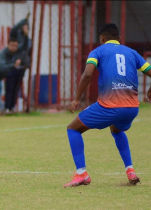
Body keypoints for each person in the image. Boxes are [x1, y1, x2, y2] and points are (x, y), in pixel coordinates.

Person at [64, 23, 151, 188]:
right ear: (119, 39)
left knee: (73, 128)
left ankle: (81, 173)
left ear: (102, 39)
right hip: (132, 108)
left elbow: (88, 73)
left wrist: (76, 99)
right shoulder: (132, 53)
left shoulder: (98, 51)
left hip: (109, 106)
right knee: (116, 129)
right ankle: (130, 170)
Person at [0, 38, 26, 116]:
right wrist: (13, 65)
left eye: (16, 46)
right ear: (8, 45)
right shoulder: (3, 54)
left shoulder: (13, 55)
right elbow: (1, 68)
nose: (14, 47)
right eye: (12, 45)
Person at [5, 13, 31, 113]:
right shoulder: (15, 34)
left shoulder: (26, 39)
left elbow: (25, 48)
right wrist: (24, 20)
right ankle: (7, 107)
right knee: (10, 86)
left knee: (16, 87)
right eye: (24, 27)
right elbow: (14, 28)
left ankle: (12, 107)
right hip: (13, 64)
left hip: (22, 65)